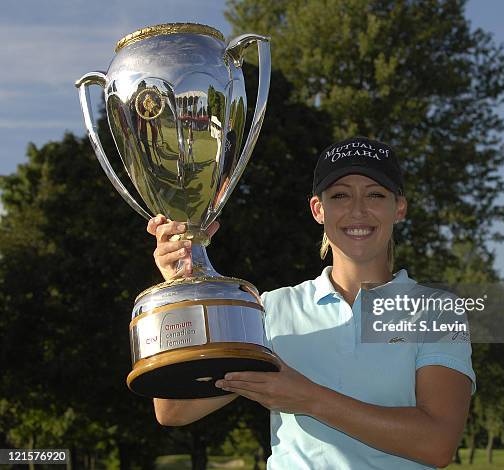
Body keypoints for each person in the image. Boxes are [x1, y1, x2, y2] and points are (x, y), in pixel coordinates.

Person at [147, 137, 476, 469]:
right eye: (340, 195)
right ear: (318, 209)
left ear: (399, 208)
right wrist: (182, 290)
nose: (358, 209)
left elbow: (438, 444)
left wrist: (309, 399)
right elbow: (173, 409)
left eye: (375, 194)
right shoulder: (269, 309)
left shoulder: (438, 310)